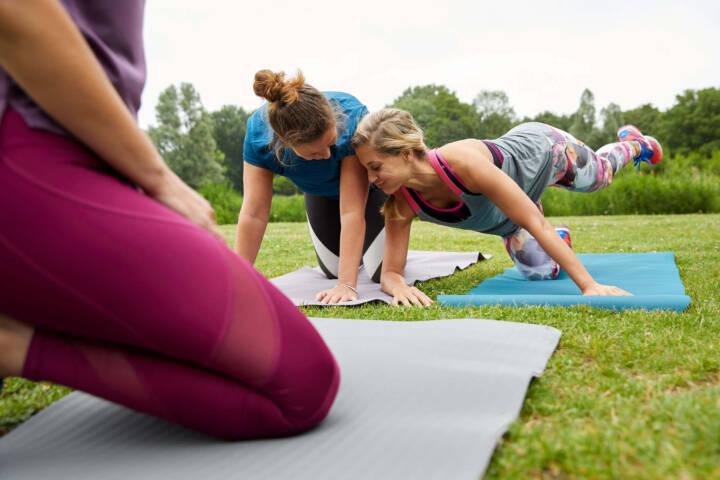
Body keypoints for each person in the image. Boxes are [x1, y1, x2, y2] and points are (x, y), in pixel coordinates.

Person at [0, 0, 339, 439]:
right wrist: (159, 179)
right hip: (33, 166)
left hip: (81, 166)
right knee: (304, 383)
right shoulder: (259, 141)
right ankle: (11, 345)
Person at [351, 108, 663, 306]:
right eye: (366, 169)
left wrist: (589, 286)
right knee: (540, 273)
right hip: (514, 217)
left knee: (599, 177)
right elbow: (390, 273)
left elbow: (536, 225)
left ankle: (635, 144)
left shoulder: (462, 163)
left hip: (545, 154)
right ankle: (560, 239)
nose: (371, 178)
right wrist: (399, 287)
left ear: (406, 153)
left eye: (376, 166)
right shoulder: (402, 203)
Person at [237, 70, 386, 304]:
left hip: (371, 194)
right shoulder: (258, 136)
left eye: (331, 143)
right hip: (321, 194)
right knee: (333, 271)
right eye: (315, 152)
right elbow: (253, 214)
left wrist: (347, 285)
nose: (327, 155)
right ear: (283, 138)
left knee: (379, 272)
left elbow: (351, 212)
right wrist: (238, 279)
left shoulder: (352, 117)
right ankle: (355, 254)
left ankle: (378, 246)